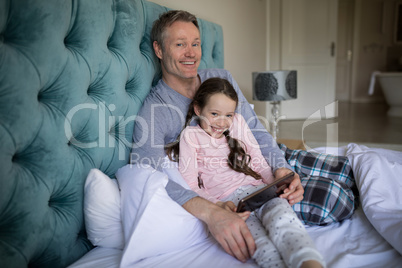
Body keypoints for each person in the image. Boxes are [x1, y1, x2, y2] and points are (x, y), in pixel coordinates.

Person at [131, 9, 355, 263]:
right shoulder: (155, 110)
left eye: (195, 43)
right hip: (231, 187)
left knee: (348, 170)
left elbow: (256, 132)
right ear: (159, 50)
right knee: (338, 198)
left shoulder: (220, 78)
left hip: (260, 162)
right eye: (180, 44)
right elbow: (145, 174)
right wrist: (211, 211)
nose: (191, 53)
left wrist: (281, 169)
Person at [166, 77, 325, 268]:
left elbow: (257, 159)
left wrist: (274, 185)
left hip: (259, 190)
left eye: (228, 115)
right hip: (232, 205)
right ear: (198, 110)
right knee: (259, 244)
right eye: (214, 113)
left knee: (286, 224)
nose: (222, 122)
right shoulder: (191, 137)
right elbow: (190, 184)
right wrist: (217, 206)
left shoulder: (238, 123)